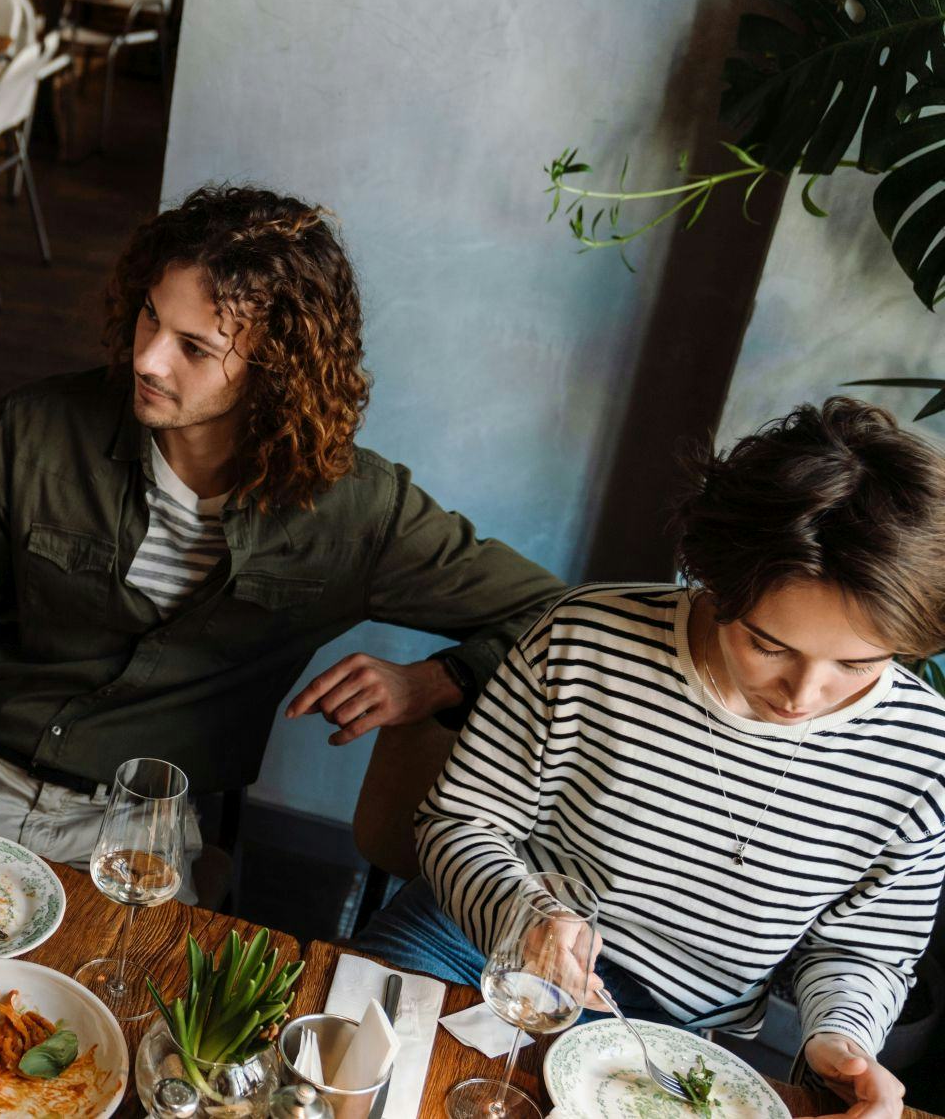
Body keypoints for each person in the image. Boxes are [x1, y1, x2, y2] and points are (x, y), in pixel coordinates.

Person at [0, 185, 565, 892]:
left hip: (136, 829)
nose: (148, 359)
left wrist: (434, 681)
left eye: (194, 348)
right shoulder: (32, 432)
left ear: (276, 369)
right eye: (150, 316)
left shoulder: (357, 512)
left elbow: (564, 619)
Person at [358, 399, 945, 1119]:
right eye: (769, 645)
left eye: (857, 664)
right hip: (478, 952)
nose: (805, 695)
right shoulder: (587, 638)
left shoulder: (921, 749)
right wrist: (528, 915)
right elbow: (459, 820)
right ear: (714, 581)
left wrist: (842, 1037)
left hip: (670, 1040)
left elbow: (865, 949)